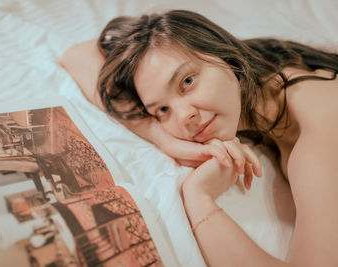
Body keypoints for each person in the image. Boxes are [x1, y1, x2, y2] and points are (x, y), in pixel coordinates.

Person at [60, 9, 338, 266]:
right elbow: (78, 54)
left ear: (226, 57)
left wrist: (199, 197)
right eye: (163, 109)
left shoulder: (319, 133)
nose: (183, 117)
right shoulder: (264, 78)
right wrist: (160, 136)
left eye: (187, 82)